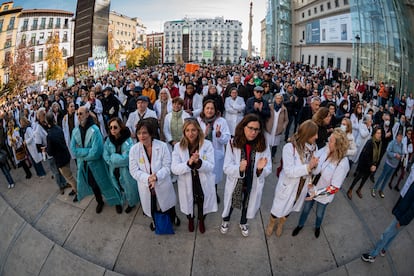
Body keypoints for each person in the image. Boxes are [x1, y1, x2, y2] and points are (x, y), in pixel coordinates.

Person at [292, 128, 349, 238]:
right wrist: (310, 176)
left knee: (319, 214)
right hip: (312, 187)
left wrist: (316, 194)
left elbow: (334, 188)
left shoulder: (342, 163)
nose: (328, 141)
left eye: (331, 140)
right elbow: (314, 164)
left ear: (338, 145)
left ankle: (317, 227)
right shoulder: (326, 149)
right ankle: (300, 225)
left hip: (323, 195)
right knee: (306, 210)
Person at [266, 120, 319, 237]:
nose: (317, 137)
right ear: (307, 134)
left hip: (301, 186)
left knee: (290, 207)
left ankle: (281, 224)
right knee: (277, 208)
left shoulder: (314, 148)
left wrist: (313, 170)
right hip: (288, 185)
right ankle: (271, 223)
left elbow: (314, 170)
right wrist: (308, 167)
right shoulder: (290, 148)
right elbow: (289, 171)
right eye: (314, 134)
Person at [220, 114, 271, 237]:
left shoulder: (263, 144)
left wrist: (260, 170)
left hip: (252, 182)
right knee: (231, 202)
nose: (253, 132)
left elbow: (268, 169)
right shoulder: (233, 143)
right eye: (250, 128)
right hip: (237, 182)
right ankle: (226, 220)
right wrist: (239, 169)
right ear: (243, 127)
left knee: (247, 204)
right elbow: (226, 167)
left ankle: (243, 222)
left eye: (256, 129)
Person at [70, 106, 123, 214]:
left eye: (81, 113)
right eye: (77, 114)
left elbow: (96, 152)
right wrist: (86, 152)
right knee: (94, 186)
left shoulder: (95, 130)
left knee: (107, 183)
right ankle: (99, 201)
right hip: (86, 166)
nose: (79, 116)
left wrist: (82, 153)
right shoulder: (75, 130)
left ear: (87, 114)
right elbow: (73, 150)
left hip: (98, 164)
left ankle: (117, 201)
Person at [129, 119, 179, 231]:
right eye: (139, 133)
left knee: (168, 205)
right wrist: (148, 178)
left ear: (151, 133)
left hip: (162, 183)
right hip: (146, 185)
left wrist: (156, 177)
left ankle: (173, 217)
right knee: (152, 206)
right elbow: (133, 170)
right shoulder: (134, 150)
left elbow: (167, 166)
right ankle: (155, 221)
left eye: (145, 132)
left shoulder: (162, 146)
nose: (142, 136)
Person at [171, 118, 217, 233]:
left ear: (198, 131)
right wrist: (189, 163)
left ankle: (201, 220)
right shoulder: (178, 147)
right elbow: (174, 169)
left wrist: (199, 162)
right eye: (187, 130)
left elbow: (211, 166)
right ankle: (190, 219)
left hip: (202, 180)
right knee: (189, 203)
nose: (190, 133)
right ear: (184, 132)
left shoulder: (207, 145)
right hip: (187, 181)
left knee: (202, 201)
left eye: (193, 130)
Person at [361, 176, 414, 263]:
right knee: (393, 234)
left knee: (386, 235)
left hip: (402, 217)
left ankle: (372, 255)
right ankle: (384, 249)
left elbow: (412, 210)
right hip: (402, 213)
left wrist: (401, 222)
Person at [197, 100, 231, 204]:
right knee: (202, 175)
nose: (209, 110)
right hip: (203, 153)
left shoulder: (221, 121)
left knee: (214, 176)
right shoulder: (199, 120)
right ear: (203, 109)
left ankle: (214, 194)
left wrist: (219, 135)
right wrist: (204, 134)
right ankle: (202, 194)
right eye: (207, 108)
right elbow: (193, 137)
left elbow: (227, 138)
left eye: (212, 108)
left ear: (215, 110)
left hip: (216, 153)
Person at [104, 118, 139, 213]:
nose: (112, 129)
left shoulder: (128, 141)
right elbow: (105, 154)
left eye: (115, 127)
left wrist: (113, 158)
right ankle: (118, 202)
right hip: (113, 170)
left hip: (125, 171)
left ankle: (131, 203)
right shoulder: (109, 139)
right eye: (110, 127)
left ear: (120, 127)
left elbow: (126, 158)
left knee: (128, 187)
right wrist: (113, 160)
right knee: (116, 186)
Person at [45, 112, 78, 202]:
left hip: (60, 159)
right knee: (69, 175)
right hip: (66, 154)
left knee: (69, 177)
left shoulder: (50, 135)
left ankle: (78, 191)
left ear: (47, 122)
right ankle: (74, 188)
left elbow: (50, 152)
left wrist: (46, 149)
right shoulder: (58, 128)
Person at [347, 126, 383, 199]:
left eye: (380, 133)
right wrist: (371, 165)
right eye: (378, 133)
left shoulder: (380, 142)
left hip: (372, 165)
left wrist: (375, 165)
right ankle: (350, 189)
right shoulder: (370, 142)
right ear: (374, 134)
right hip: (365, 164)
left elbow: (378, 154)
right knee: (358, 177)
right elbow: (366, 155)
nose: (379, 135)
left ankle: (359, 189)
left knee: (365, 179)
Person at [372, 131, 404, 198]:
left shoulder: (402, 145)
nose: (400, 138)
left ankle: (381, 190)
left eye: (401, 137)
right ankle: (374, 188)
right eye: (399, 136)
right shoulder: (392, 143)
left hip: (394, 165)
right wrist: (395, 155)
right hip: (388, 163)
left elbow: (402, 153)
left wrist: (401, 156)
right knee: (382, 176)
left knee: (387, 179)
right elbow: (388, 151)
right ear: (396, 136)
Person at [265, 93, 288, 161]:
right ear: (275, 99)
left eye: (280, 98)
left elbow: (286, 120)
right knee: (267, 143)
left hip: (278, 129)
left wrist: (283, 127)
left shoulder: (284, 109)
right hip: (269, 128)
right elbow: (266, 116)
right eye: (277, 98)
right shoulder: (270, 107)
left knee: (275, 144)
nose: (279, 100)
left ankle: (273, 156)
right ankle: (266, 156)